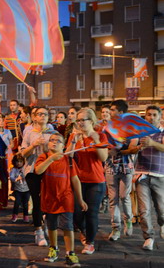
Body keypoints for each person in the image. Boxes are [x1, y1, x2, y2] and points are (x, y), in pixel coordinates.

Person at [35, 132, 87, 267]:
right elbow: (38, 171)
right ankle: (53, 249)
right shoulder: (44, 157)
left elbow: (75, 180)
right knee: (51, 225)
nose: (54, 142)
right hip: (49, 197)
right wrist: (51, 159)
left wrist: (80, 199)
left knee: (67, 226)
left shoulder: (68, 160)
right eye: (51, 140)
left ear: (64, 146)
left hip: (66, 198)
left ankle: (70, 253)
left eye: (58, 141)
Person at [66, 108, 108, 255]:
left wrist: (96, 140)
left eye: (83, 120)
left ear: (91, 121)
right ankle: (84, 231)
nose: (80, 123)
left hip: (96, 181)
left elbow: (103, 158)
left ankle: (90, 242)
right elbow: (68, 157)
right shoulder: (74, 136)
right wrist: (73, 143)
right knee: (76, 213)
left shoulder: (101, 135)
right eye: (78, 120)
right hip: (77, 180)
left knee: (91, 213)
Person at [20, 106, 56, 247]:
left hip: (49, 170)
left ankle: (46, 223)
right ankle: (38, 231)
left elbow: (58, 150)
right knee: (37, 199)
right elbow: (23, 153)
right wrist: (34, 145)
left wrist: (49, 148)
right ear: (34, 117)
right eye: (39, 114)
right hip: (32, 170)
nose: (42, 116)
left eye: (45, 114)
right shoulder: (29, 133)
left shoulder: (53, 133)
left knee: (48, 199)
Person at [105, 100, 137, 241]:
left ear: (121, 112)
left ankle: (128, 219)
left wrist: (118, 149)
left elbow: (133, 148)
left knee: (124, 196)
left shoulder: (132, 128)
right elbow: (104, 147)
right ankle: (115, 228)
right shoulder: (107, 128)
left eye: (112, 110)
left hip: (126, 167)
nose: (110, 112)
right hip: (111, 166)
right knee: (113, 199)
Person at [134, 105, 164, 251]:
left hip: (160, 175)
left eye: (154, 115)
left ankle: (162, 224)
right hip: (142, 175)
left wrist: (152, 143)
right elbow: (131, 148)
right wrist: (136, 147)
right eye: (148, 115)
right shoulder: (141, 132)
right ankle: (149, 237)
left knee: (161, 209)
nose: (151, 117)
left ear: (160, 117)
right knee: (144, 210)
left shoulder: (163, 132)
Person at [9, 154, 30, 223]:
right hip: (18, 189)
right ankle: (15, 215)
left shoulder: (25, 168)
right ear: (14, 162)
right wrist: (16, 179)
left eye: (20, 161)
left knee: (25, 204)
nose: (19, 163)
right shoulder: (14, 170)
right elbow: (11, 177)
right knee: (17, 202)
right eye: (17, 162)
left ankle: (26, 216)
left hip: (26, 189)